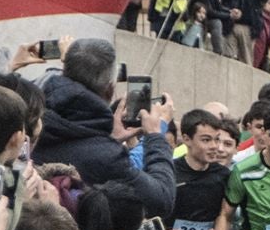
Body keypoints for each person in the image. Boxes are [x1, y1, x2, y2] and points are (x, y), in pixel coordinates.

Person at [33, 38, 175, 217]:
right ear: (110, 89)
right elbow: (161, 200)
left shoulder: (31, 122)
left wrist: (109, 139)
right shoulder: (108, 158)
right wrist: (156, 135)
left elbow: (76, 146)